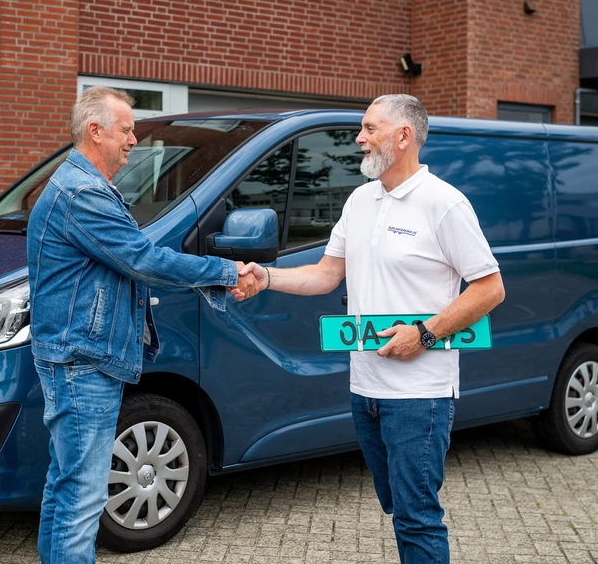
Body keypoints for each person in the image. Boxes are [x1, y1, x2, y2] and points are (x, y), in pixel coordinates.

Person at [238, 95, 505, 563]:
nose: (359, 139)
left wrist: (423, 334)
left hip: (420, 395)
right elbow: (326, 274)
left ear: (403, 137)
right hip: (365, 388)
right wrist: (268, 278)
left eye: (370, 128)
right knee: (398, 506)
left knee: (417, 514)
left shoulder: (443, 203)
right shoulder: (361, 200)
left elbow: (489, 289)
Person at [26, 86, 260, 564]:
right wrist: (226, 271)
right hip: (82, 362)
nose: (135, 140)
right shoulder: (82, 193)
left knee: (67, 485)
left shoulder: (83, 185)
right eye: (127, 129)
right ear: (96, 132)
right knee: (84, 495)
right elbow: (141, 258)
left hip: (77, 357)